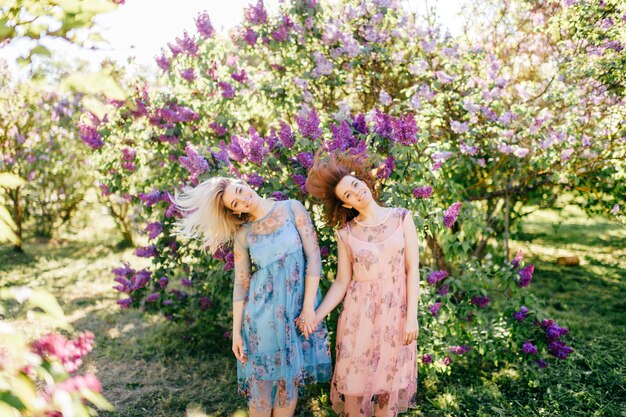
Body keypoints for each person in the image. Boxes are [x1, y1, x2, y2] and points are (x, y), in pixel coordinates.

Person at [173, 177, 332, 417]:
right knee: (261, 388)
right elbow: (241, 285)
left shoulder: (292, 208)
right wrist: (236, 331)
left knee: (287, 385)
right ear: (234, 211)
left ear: (243, 182)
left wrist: (309, 307)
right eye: (235, 203)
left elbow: (314, 258)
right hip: (260, 319)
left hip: (297, 310)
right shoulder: (244, 235)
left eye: (239, 191)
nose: (243, 200)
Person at [304, 151, 420, 417]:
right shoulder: (346, 234)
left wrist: (411, 317)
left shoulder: (402, 217)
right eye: (348, 195)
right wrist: (316, 315)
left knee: (387, 391)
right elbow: (342, 282)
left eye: (355, 185)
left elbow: (412, 269)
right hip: (359, 317)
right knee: (354, 389)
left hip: (396, 315)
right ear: (345, 205)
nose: (356, 193)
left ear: (362, 181)